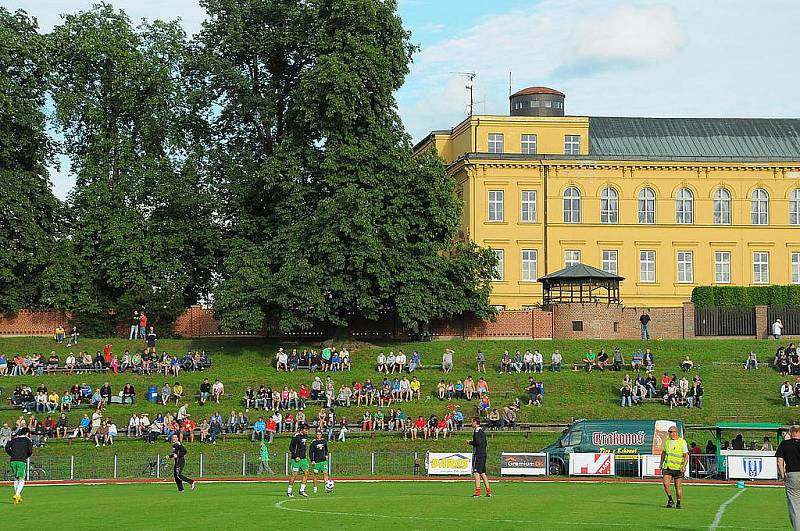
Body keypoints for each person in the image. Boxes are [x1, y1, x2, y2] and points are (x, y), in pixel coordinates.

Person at [776, 425, 800, 530]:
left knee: (794, 506)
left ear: (790, 433)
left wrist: (783, 475)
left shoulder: (784, 444)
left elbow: (779, 462)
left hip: (792, 475)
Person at [660, 425, 688, 509]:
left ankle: (678, 502)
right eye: (669, 432)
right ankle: (670, 499)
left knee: (678, 487)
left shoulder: (682, 442)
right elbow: (664, 453)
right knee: (665, 484)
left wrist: (684, 466)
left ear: (676, 432)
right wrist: (661, 463)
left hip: (678, 468)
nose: (670, 433)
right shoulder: (667, 441)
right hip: (668, 467)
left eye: (671, 432)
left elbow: (686, 455)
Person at [5, 426, 34, 505]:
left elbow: (7, 447)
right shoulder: (28, 440)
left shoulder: (14, 439)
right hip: (21, 461)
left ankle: (18, 496)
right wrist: (26, 456)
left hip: (13, 460)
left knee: (16, 478)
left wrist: (12, 454)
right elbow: (30, 451)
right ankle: (17, 494)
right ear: (27, 433)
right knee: (21, 479)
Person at [468, 417, 491, 497]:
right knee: (482, 473)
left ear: (475, 422)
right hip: (483, 454)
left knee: (476, 472)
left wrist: (470, 442)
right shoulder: (482, 431)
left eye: (472, 422)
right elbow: (485, 443)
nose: (471, 423)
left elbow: (477, 443)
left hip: (478, 454)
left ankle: (477, 492)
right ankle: (488, 491)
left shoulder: (477, 431)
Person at [288, 423, 310, 497]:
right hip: (296, 459)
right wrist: (295, 456)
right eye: (306, 430)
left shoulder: (305, 436)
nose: (307, 431)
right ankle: (289, 491)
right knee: (294, 475)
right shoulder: (296, 437)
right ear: (301, 429)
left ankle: (302, 490)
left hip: (303, 459)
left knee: (306, 473)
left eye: (308, 430)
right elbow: (291, 447)